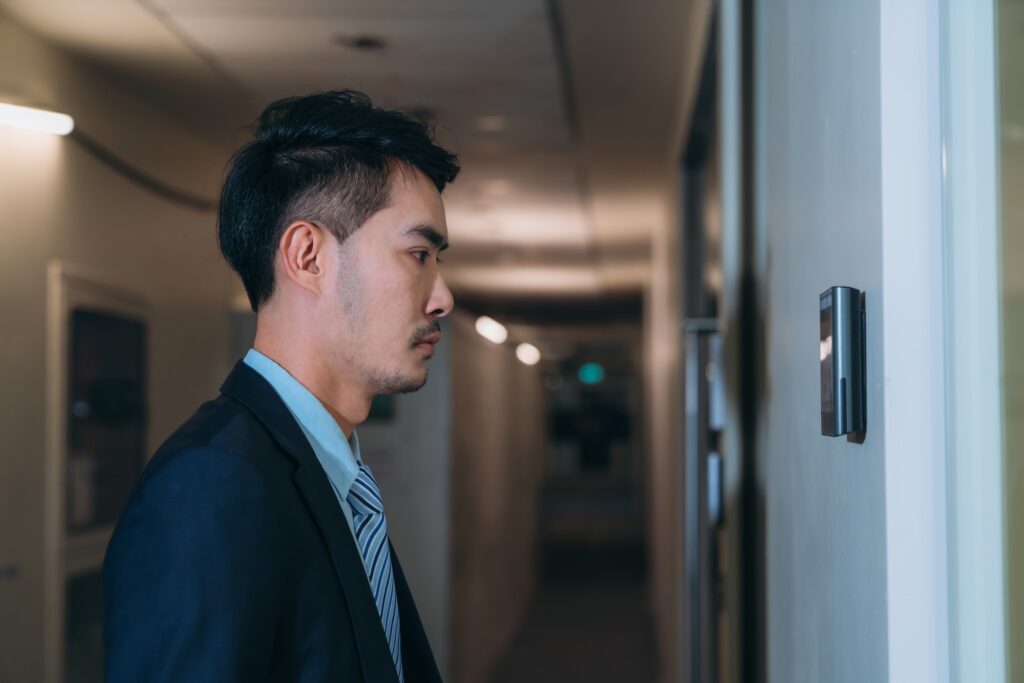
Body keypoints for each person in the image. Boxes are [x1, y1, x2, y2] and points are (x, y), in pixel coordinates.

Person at [103, 90, 459, 682]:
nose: (442, 297)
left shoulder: (324, 469)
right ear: (308, 255)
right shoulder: (210, 486)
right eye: (419, 253)